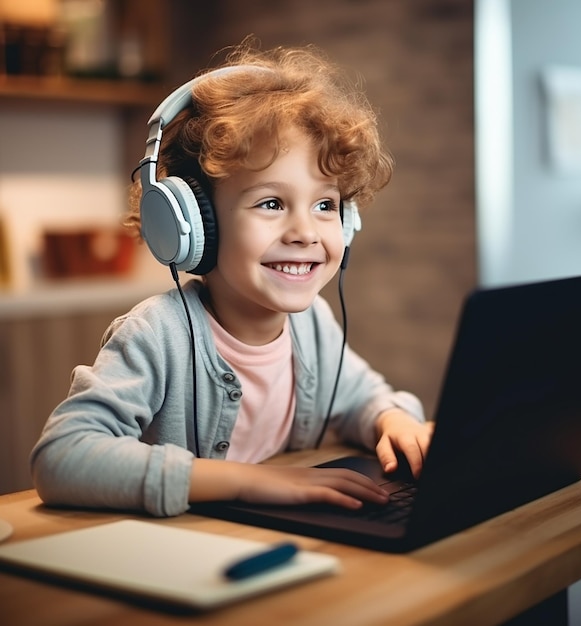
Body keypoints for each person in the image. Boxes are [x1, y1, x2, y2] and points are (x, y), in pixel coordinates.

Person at [30, 39, 433, 518]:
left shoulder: (313, 327)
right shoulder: (157, 336)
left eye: (325, 205)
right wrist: (247, 482)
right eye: (271, 203)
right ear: (194, 225)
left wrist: (393, 419)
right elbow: (62, 456)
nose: (305, 232)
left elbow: (361, 399)